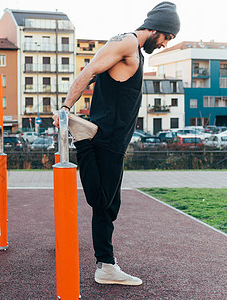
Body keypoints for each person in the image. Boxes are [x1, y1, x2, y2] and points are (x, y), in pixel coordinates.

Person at [53, 2, 180, 285]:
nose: (165, 44)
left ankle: (106, 265)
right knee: (102, 202)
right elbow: (88, 72)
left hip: (116, 139)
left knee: (110, 205)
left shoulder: (133, 49)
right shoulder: (126, 43)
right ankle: (106, 265)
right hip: (106, 137)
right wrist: (65, 108)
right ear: (158, 28)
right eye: (168, 38)